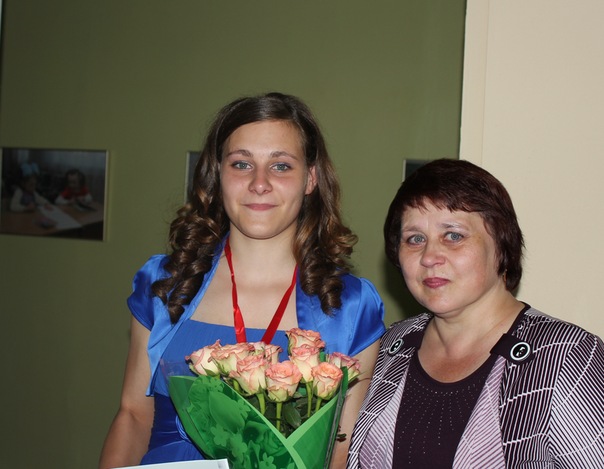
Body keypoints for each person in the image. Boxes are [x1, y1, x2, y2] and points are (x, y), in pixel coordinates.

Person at [99, 92, 385, 468]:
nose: (259, 183)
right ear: (218, 174)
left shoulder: (349, 306)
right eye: (241, 164)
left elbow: (340, 452)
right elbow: (134, 416)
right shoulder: (166, 284)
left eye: (281, 166)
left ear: (311, 178)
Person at [347, 159, 604, 468]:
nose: (429, 256)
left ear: (501, 244)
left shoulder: (567, 354)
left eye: (453, 235)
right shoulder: (390, 344)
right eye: (415, 239)